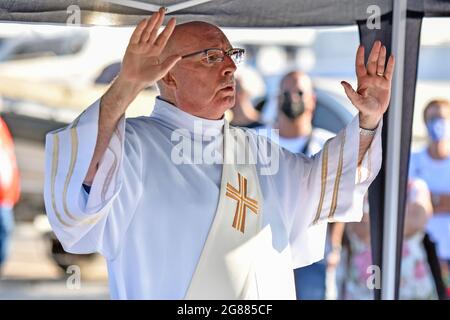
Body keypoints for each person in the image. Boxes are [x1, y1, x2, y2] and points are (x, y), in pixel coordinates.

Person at [43, 8, 393, 299]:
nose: (230, 68)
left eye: (231, 54)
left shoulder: (258, 150)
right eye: (211, 57)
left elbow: (327, 188)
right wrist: (127, 84)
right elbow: (77, 191)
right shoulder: (131, 147)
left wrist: (368, 119)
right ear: (169, 76)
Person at [271, 71, 345, 300]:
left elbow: (341, 199)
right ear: (277, 99)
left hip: (313, 253)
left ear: (312, 99)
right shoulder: (257, 141)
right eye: (286, 92)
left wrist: (334, 244)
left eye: (300, 92)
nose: (292, 97)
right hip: (267, 250)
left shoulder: (329, 144)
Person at [344, 179, 437, 300]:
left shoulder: (415, 186)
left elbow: (418, 220)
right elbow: (363, 231)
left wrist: (376, 218)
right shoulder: (356, 185)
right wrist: (402, 215)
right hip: (365, 289)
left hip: (414, 289)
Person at [409, 99, 450, 295]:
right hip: (423, 254)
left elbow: (419, 204)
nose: (437, 123)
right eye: (432, 118)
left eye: (442, 118)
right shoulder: (413, 160)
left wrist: (427, 199)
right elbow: (408, 205)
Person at [0, 113, 21, 277]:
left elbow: (9, 161)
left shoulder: (2, 127)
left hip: (5, 195)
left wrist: (13, 191)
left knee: (6, 230)